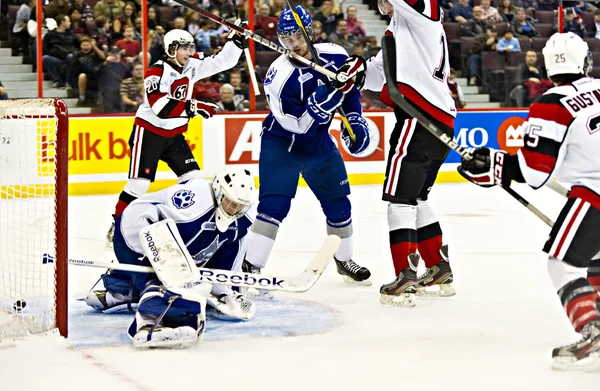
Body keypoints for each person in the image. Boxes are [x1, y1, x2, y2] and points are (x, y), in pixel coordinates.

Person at [457, 32, 600, 370]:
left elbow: (535, 173)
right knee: (594, 257)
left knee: (562, 264)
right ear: (585, 62)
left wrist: (495, 165)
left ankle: (592, 331)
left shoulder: (551, 104)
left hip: (595, 193)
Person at [242, 6, 372, 290]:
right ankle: (251, 267)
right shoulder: (277, 76)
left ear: (310, 33)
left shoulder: (335, 55)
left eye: (297, 37)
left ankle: (344, 259)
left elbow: (348, 89)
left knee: (339, 204)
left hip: (320, 147)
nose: (291, 44)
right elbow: (296, 126)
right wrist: (319, 103)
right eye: (285, 38)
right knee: (273, 207)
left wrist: (354, 117)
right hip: (282, 146)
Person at [340, 0, 457, 306]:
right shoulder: (403, 30)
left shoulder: (422, 15)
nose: (384, 7)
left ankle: (405, 272)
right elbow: (378, 73)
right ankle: (439, 266)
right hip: (440, 122)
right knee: (418, 197)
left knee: (399, 199)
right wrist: (353, 73)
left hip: (418, 118)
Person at [86, 167, 258, 348]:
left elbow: (234, 246)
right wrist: (171, 273)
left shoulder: (243, 217)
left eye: (240, 206)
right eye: (231, 203)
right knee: (167, 281)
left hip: (164, 239)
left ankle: (123, 289)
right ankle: (149, 323)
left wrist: (224, 290)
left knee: (181, 280)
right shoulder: (195, 201)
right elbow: (145, 220)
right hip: (134, 228)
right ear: (218, 191)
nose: (235, 210)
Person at [105, 28, 246, 247]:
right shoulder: (156, 72)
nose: (189, 51)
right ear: (171, 50)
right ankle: (117, 226)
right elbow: (161, 107)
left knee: (194, 181)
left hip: (175, 135)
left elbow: (221, 62)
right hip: (149, 132)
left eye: (191, 47)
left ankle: (182, 224)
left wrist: (236, 42)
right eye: (184, 47)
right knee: (139, 185)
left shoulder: (191, 65)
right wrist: (194, 107)